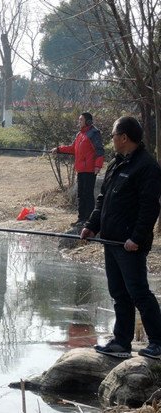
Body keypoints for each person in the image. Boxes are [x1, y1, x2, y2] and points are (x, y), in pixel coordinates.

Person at [80, 116, 161, 359]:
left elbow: (150, 209)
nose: (111, 140)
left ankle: (158, 342)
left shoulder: (147, 167)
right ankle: (121, 342)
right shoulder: (116, 163)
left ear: (124, 137)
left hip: (130, 245)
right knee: (118, 293)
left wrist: (136, 238)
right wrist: (91, 226)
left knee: (138, 292)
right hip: (111, 240)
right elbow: (103, 200)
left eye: (114, 135)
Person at [51, 112, 105, 226]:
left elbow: (100, 151)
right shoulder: (80, 134)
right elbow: (72, 148)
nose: (78, 122)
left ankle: (88, 220)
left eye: (81, 120)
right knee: (80, 194)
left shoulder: (94, 134)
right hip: (80, 169)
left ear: (88, 121)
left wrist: (97, 166)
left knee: (88, 194)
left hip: (90, 170)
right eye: (79, 120)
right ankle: (81, 219)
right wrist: (58, 149)